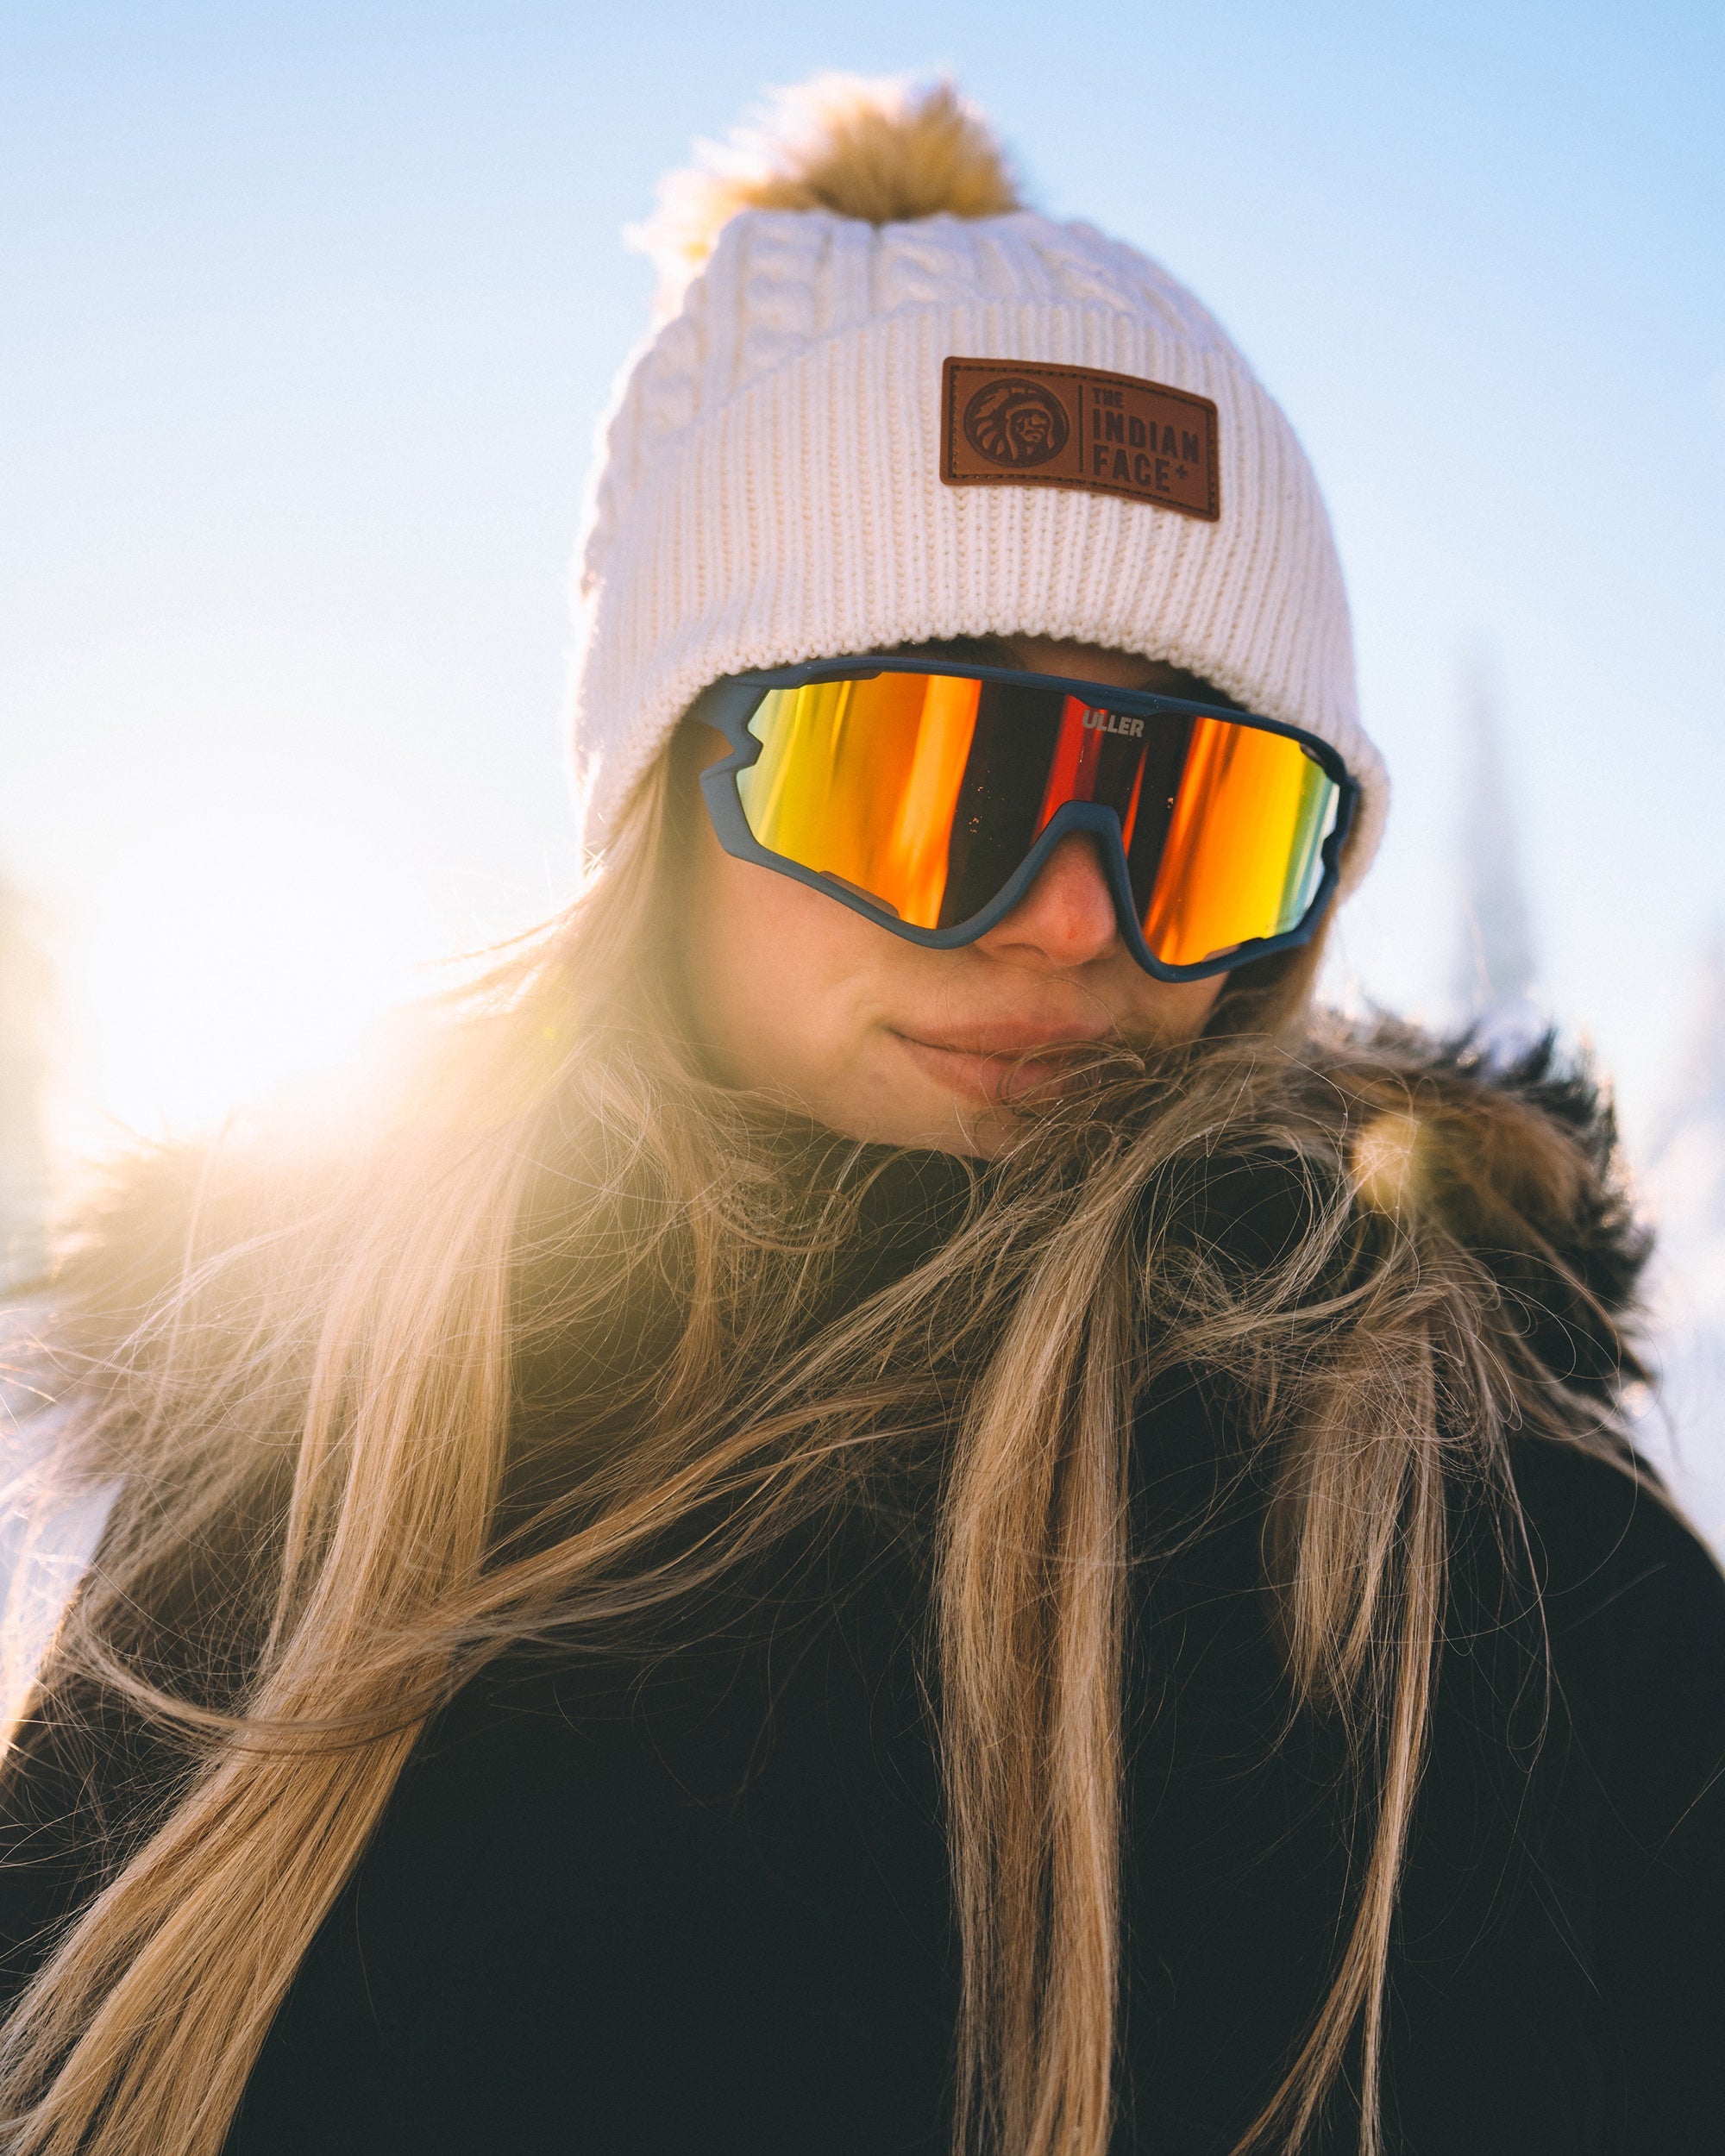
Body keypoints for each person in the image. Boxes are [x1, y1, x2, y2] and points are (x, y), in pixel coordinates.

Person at [0, 73, 1721, 2156]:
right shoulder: (293, 1508)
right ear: (669, 798)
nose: (1077, 913)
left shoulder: (1488, 1582)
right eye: (927, 773)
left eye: (1199, 810)